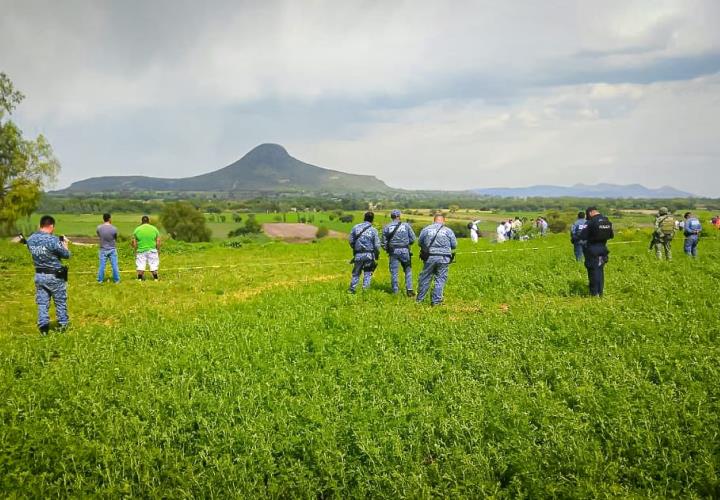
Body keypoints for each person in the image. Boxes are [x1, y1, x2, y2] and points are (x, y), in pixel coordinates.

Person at [25, 215, 71, 334]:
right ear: (51, 226)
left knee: (42, 301)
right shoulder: (53, 240)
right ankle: (63, 324)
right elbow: (66, 255)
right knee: (60, 300)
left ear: (40, 225)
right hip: (55, 275)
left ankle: (43, 326)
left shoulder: (30, 239)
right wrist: (65, 244)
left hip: (39, 275)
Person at [416, 214, 457, 306]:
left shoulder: (426, 229)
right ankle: (436, 301)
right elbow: (454, 245)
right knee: (440, 279)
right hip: (444, 258)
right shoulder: (448, 230)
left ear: (434, 220)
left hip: (429, 257)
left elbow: (419, 243)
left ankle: (419, 300)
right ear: (443, 221)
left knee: (425, 278)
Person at [578, 207, 614, 297]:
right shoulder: (606, 221)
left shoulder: (591, 222)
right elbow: (611, 235)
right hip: (603, 249)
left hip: (592, 249)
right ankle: (600, 292)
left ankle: (594, 293)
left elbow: (582, 235)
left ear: (590, 213)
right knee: (600, 270)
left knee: (593, 270)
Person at [381, 209, 416, 296]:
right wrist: (408, 244)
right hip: (405, 251)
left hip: (393, 252)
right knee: (408, 270)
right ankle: (410, 290)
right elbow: (413, 238)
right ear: (399, 216)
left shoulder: (387, 227)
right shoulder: (406, 226)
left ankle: (395, 291)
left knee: (394, 272)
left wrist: (387, 249)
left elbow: (383, 242)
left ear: (391, 216)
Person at [348, 211, 381, 293]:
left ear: (364, 218)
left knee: (356, 273)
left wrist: (355, 248)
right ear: (372, 220)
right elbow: (377, 245)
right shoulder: (374, 230)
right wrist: (376, 255)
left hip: (358, 254)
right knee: (368, 273)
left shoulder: (356, 227)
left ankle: (352, 290)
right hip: (369, 255)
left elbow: (351, 241)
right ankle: (365, 291)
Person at [132, 215, 161, 280]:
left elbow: (134, 243)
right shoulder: (154, 229)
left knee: (140, 265)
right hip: (152, 250)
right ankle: (155, 278)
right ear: (149, 221)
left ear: (142, 221)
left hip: (141, 250)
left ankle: (139, 279)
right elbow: (158, 241)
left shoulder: (137, 229)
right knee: (153, 264)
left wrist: (135, 251)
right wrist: (158, 250)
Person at [97, 213, 120, 283]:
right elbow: (115, 238)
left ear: (103, 219)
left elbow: (99, 235)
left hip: (103, 249)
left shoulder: (99, 228)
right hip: (112, 249)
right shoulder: (114, 228)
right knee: (114, 265)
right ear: (109, 219)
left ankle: (100, 280)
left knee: (102, 266)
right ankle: (116, 280)